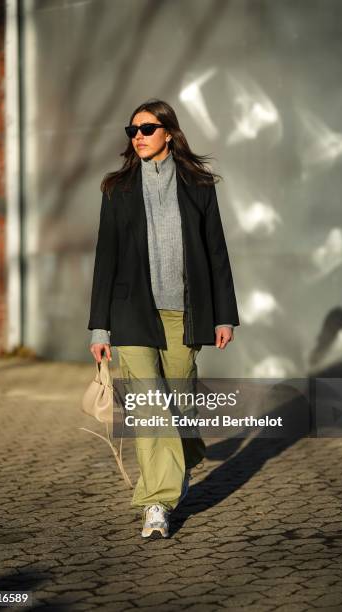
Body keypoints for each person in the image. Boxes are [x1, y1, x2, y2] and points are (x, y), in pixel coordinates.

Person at [88, 99, 239, 539]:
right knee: (152, 407)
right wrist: (100, 326)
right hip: (131, 313)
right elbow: (106, 258)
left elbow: (216, 253)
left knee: (179, 400)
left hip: (183, 314)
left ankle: (183, 456)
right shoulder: (117, 189)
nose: (138, 136)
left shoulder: (199, 185)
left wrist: (224, 316)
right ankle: (157, 500)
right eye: (132, 130)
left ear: (168, 133)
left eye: (148, 129)